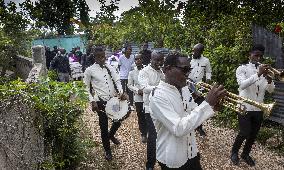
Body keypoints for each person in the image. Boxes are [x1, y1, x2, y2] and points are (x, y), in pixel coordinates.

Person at [149, 53, 226, 169]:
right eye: (184, 69)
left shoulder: (184, 88)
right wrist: (206, 104)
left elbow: (193, 112)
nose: (188, 74)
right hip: (172, 158)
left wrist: (212, 108)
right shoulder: (158, 96)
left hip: (191, 151)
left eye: (189, 69)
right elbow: (178, 128)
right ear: (167, 69)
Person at [230, 44, 275, 166]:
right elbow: (242, 85)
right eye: (256, 55)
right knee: (244, 132)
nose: (259, 58)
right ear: (250, 54)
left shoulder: (264, 69)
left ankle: (245, 154)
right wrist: (258, 74)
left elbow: (270, 90)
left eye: (260, 56)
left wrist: (270, 81)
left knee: (253, 134)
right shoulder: (242, 68)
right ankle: (234, 152)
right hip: (244, 105)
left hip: (259, 107)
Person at [83, 47, 128, 161]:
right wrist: (92, 101)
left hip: (113, 100)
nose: (103, 59)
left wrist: (121, 92)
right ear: (95, 57)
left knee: (119, 120)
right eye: (100, 56)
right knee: (103, 127)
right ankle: (107, 151)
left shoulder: (110, 67)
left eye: (104, 56)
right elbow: (86, 88)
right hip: (100, 102)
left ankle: (111, 135)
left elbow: (117, 80)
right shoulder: (89, 70)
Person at [138, 50, 165, 170]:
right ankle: (150, 164)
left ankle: (163, 160)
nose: (159, 62)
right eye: (157, 60)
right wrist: (161, 88)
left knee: (163, 135)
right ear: (151, 60)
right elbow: (144, 88)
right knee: (153, 136)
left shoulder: (162, 72)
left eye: (161, 60)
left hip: (163, 108)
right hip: (149, 108)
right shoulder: (144, 72)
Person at [188, 43, 212, 136]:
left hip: (200, 86)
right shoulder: (188, 59)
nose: (194, 52)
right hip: (188, 86)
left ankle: (199, 127)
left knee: (200, 107)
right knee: (189, 106)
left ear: (201, 52)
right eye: (193, 50)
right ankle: (189, 126)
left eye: (196, 51)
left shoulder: (206, 60)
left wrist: (208, 82)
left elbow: (209, 71)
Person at [128, 54, 147, 143]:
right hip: (138, 98)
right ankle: (143, 133)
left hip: (148, 97)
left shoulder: (147, 70)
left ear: (142, 59)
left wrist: (146, 90)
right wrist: (137, 90)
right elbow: (129, 85)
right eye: (136, 59)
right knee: (140, 115)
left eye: (140, 59)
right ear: (134, 61)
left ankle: (150, 132)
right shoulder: (132, 73)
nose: (138, 60)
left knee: (149, 114)